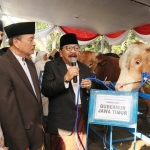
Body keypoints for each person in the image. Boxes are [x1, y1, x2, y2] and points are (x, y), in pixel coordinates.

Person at [41, 33, 93, 150]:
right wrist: (65, 78)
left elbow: (91, 91)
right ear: (60, 52)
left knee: (81, 147)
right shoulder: (51, 66)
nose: (73, 52)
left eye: (75, 48)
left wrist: (90, 86)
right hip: (61, 119)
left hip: (81, 117)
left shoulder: (84, 68)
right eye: (68, 48)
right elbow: (46, 90)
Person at [0, 22, 44, 150]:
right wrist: (21, 144)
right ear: (16, 42)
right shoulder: (3, 65)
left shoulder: (29, 63)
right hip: (21, 139)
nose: (34, 43)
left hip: (37, 134)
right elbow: (8, 111)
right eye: (30, 39)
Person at [35, 51, 49, 118]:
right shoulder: (38, 64)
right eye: (44, 55)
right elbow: (36, 75)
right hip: (41, 85)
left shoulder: (49, 62)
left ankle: (46, 115)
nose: (46, 57)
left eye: (46, 55)